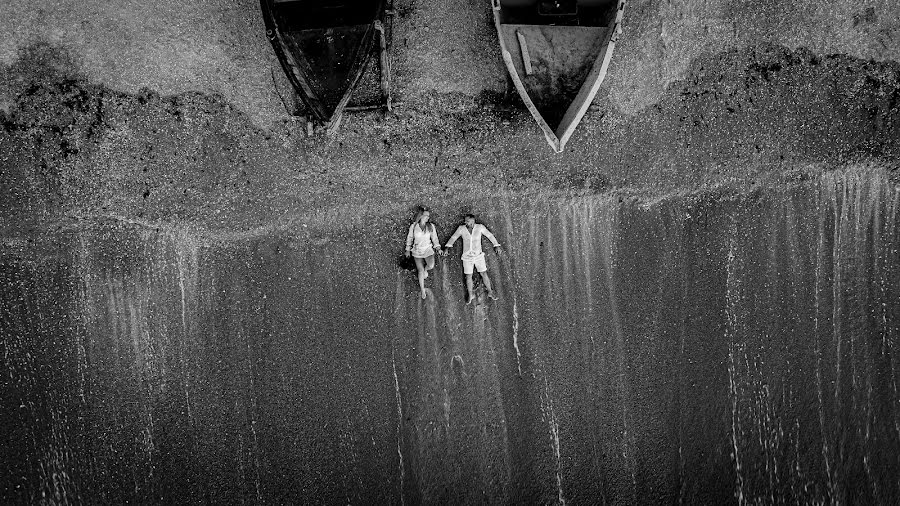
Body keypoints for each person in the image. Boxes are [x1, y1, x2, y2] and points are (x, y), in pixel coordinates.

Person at [443, 214, 502, 304]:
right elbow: (453, 237)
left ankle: (490, 291)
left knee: (483, 273)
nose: (465, 222)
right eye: (465, 221)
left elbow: (489, 235)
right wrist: (447, 247)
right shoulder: (461, 228)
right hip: (467, 257)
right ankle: (471, 294)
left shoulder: (480, 227)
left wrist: (496, 245)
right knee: (468, 276)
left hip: (478, 255)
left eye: (467, 221)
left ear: (473, 220)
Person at [405, 207, 443, 299]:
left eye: (428, 216)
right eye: (426, 216)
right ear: (421, 216)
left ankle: (426, 270)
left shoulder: (430, 226)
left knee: (431, 265)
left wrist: (438, 248)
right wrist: (407, 249)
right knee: (420, 270)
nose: (428, 218)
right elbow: (410, 238)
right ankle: (422, 290)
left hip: (428, 249)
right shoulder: (414, 226)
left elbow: (434, 238)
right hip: (417, 250)